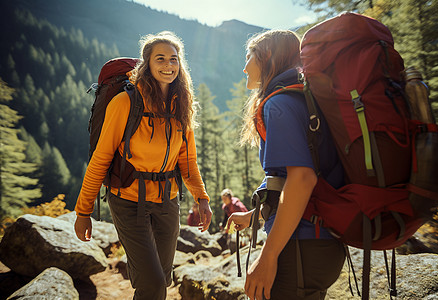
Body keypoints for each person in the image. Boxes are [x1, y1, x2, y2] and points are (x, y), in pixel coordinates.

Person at [74, 31, 212, 300]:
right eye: (160, 58)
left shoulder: (181, 105)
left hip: (167, 201)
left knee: (161, 279)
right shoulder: (125, 102)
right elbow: (100, 159)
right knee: (152, 284)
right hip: (128, 200)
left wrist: (202, 198)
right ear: (146, 63)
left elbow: (187, 161)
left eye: (174, 59)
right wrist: (83, 211)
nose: (168, 65)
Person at [226, 30, 346, 300]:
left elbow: (302, 179)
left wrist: (268, 257)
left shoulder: (279, 104)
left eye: (249, 57)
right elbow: (286, 180)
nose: (245, 67)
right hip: (321, 242)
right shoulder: (301, 97)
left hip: (301, 246)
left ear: (267, 56)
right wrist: (254, 215)